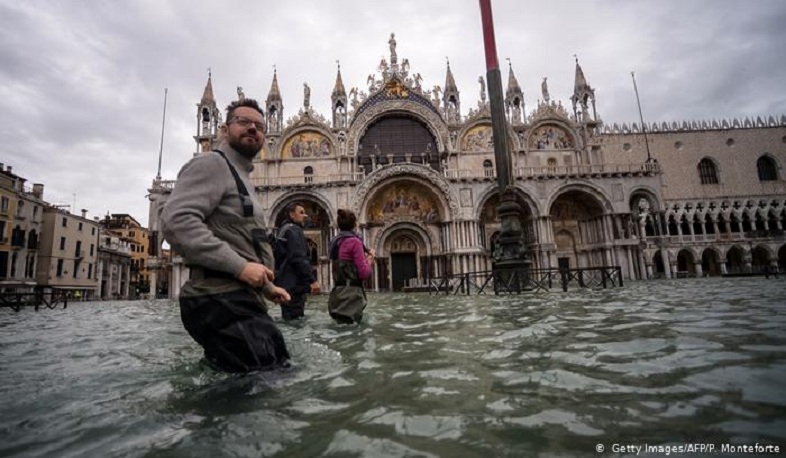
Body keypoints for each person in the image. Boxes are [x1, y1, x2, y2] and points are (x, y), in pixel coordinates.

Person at [161, 98, 293, 373]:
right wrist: (241, 267)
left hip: (236, 299)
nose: (252, 129)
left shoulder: (240, 175)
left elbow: (242, 240)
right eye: (243, 122)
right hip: (221, 299)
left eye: (259, 125)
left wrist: (267, 288)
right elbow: (176, 221)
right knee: (262, 387)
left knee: (264, 377)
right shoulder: (211, 164)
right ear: (224, 129)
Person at [327, 209, 375, 324]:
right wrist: (370, 260)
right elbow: (364, 273)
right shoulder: (355, 242)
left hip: (337, 295)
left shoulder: (335, 242)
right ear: (355, 225)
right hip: (351, 297)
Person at [274, 202, 319, 320]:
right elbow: (298, 258)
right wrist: (312, 280)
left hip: (284, 284)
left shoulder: (283, 229)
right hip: (294, 286)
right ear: (292, 215)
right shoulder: (294, 230)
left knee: (288, 318)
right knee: (295, 321)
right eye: (301, 212)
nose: (305, 216)